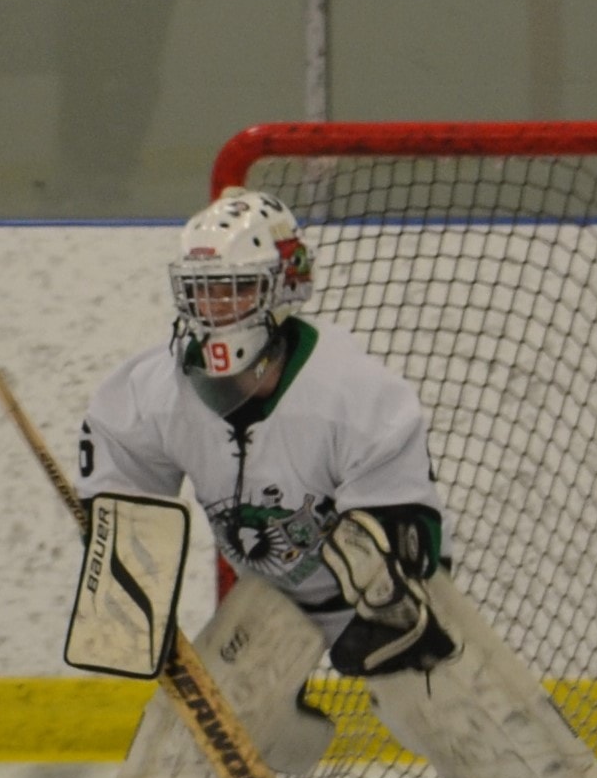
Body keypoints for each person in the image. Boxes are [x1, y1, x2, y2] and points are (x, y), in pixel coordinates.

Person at [74, 186, 453, 682]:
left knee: (484, 737)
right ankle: (290, 732)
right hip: (269, 601)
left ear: (284, 286)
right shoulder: (150, 392)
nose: (217, 307)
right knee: (181, 751)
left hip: (397, 606)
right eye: (203, 288)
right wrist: (127, 580)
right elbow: (123, 498)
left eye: (237, 287)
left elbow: (409, 529)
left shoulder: (355, 391)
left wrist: (396, 596)